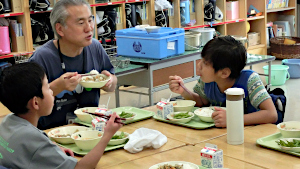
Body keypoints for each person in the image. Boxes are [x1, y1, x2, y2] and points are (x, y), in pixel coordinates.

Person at [0, 62, 123, 169]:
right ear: (36, 102)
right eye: (47, 87)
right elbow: (82, 167)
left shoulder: (7, 122)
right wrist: (107, 135)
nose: (52, 91)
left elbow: (32, 148)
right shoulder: (34, 139)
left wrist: (52, 148)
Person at [29, 0, 117, 129]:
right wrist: (58, 86)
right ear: (60, 29)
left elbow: (112, 84)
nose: (89, 28)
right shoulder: (42, 57)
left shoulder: (95, 47)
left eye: (90, 20)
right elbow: (30, 103)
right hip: (53, 133)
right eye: (81, 23)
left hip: (89, 129)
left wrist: (109, 81)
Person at [169, 36, 278, 127]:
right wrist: (183, 91)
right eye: (201, 59)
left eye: (206, 63)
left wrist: (232, 119)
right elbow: (202, 102)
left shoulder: (249, 80)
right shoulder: (208, 79)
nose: (199, 65)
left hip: (250, 133)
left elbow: (271, 114)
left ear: (224, 73)